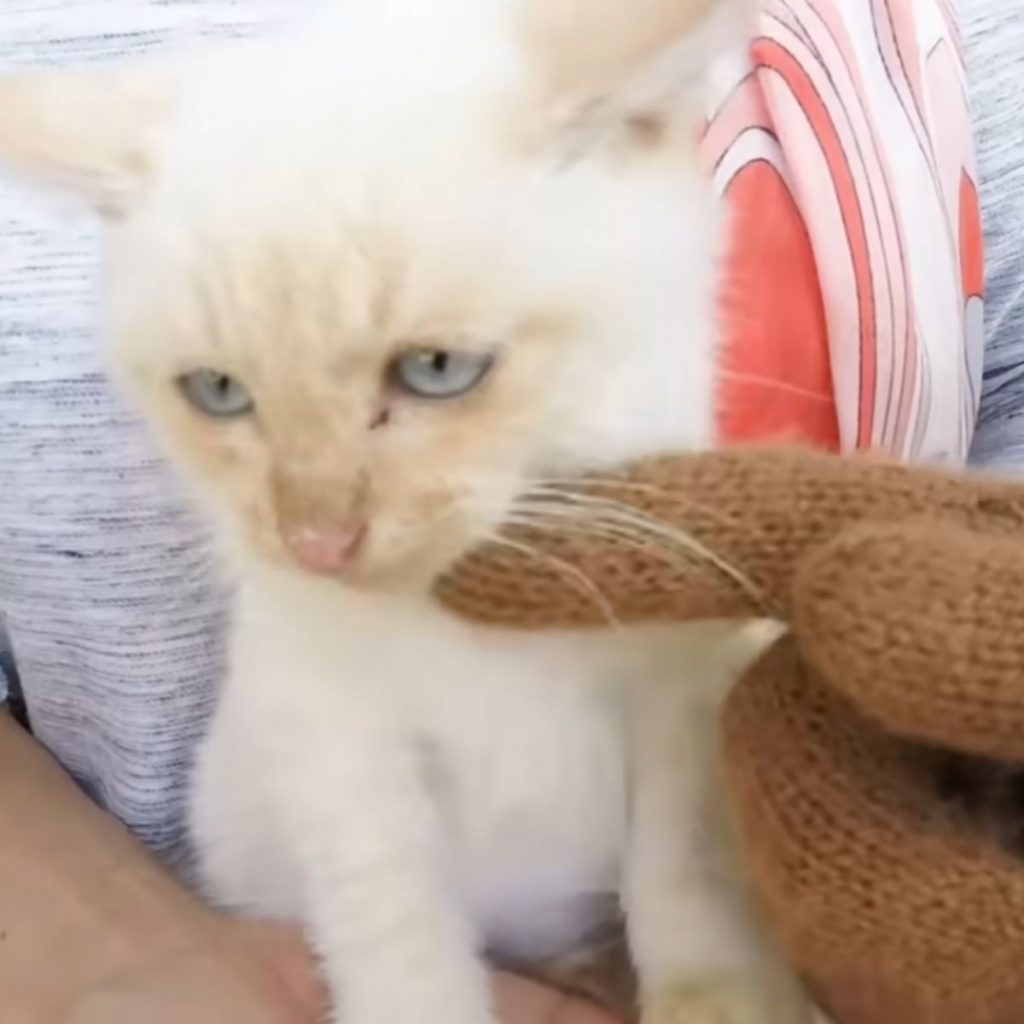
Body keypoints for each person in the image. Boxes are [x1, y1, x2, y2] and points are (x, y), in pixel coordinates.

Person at [0, 0, 1020, 1019]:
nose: (315, 527)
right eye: (222, 395)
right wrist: (123, 953)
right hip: (230, 950)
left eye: (435, 367)